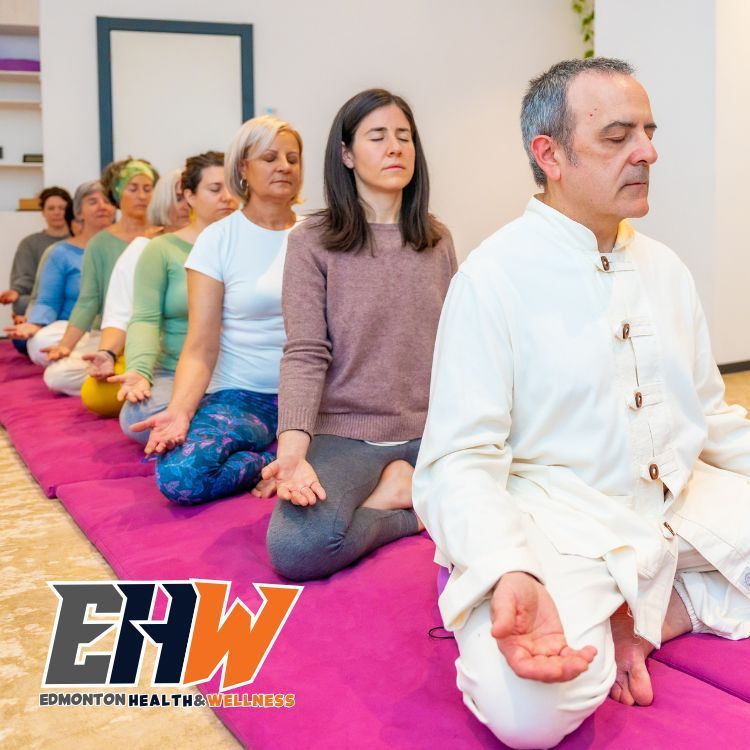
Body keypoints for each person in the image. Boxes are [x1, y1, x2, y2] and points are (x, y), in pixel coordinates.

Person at [412, 58, 750, 750]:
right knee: (530, 712)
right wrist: (508, 564)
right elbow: (459, 461)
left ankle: (659, 613)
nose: (647, 152)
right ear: (550, 155)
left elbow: (709, 418)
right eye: (618, 136)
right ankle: (599, 604)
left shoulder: (665, 267)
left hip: (673, 514)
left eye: (648, 133)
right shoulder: (493, 277)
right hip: (561, 528)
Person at [262, 89, 457, 581]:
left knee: (533, 507)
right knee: (298, 548)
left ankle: (407, 489)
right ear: (346, 154)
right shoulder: (311, 241)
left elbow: (460, 345)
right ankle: (408, 509)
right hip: (349, 432)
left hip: (435, 432)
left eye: (404, 137)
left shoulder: (437, 239)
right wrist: (292, 452)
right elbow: (305, 352)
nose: (395, 148)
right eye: (378, 137)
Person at [131, 116, 302, 503]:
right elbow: (200, 346)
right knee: (179, 477)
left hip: (315, 399)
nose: (285, 167)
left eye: (293, 159)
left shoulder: (320, 235)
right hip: (243, 398)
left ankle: (293, 454)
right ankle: (271, 460)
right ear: (242, 168)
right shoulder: (217, 239)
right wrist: (179, 410)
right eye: (270, 157)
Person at [114, 152, 235, 442]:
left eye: (233, 187)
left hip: (237, 375)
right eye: (215, 189)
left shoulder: (246, 244)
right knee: (139, 416)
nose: (227, 197)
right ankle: (225, 428)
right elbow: (145, 318)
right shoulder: (161, 249)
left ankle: (215, 428)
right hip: (175, 372)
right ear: (189, 196)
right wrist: (139, 370)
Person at [41, 158, 158, 395]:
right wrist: (65, 346)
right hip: (111, 335)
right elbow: (88, 301)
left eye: (148, 189)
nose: (142, 196)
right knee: (56, 375)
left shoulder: (164, 233)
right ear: (116, 194)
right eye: (133, 189)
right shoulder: (100, 243)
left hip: (154, 333)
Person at [80, 169, 190, 417]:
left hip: (205, 362)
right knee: (96, 394)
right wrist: (107, 353)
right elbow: (121, 314)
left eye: (191, 196)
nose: (187, 205)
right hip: (154, 356)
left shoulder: (217, 244)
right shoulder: (143, 248)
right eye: (178, 197)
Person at [3, 182, 115, 361]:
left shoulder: (127, 246)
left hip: (114, 330)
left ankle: (92, 360)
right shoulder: (60, 252)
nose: (102, 206)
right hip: (70, 329)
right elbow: (48, 300)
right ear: (78, 212)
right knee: (40, 342)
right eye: (93, 201)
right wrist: (36, 324)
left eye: (107, 201)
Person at [0, 186, 72, 318]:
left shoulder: (80, 241)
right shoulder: (29, 243)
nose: (57, 212)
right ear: (43, 212)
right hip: (39, 300)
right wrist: (16, 291)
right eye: (51, 208)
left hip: (72, 299)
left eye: (62, 208)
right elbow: (24, 277)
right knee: (21, 302)